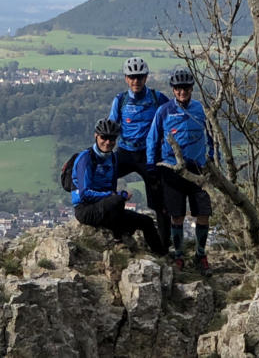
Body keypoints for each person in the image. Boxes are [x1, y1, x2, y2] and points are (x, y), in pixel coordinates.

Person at [146, 67, 214, 275]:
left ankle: (200, 254)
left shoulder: (200, 109)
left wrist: (213, 158)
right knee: (177, 216)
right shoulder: (164, 111)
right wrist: (151, 165)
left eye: (185, 88)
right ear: (173, 89)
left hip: (198, 169)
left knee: (203, 214)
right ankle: (179, 255)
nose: (182, 92)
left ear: (191, 88)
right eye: (178, 88)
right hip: (172, 170)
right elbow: (152, 138)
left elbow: (212, 136)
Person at [71, 118, 167, 254]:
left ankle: (162, 255)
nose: (108, 142)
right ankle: (118, 239)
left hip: (107, 209)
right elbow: (84, 194)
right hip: (85, 209)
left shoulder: (113, 158)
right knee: (117, 199)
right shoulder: (86, 159)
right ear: (96, 136)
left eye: (112, 139)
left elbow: (112, 189)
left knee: (147, 221)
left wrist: (114, 196)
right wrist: (114, 195)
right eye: (104, 137)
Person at [109, 56, 171, 248]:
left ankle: (164, 246)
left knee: (160, 202)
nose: (136, 81)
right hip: (125, 152)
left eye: (140, 77)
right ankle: (116, 230)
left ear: (146, 77)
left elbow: (172, 121)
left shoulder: (157, 98)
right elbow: (111, 127)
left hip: (149, 155)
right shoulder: (120, 100)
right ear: (126, 78)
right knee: (105, 181)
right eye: (132, 77)